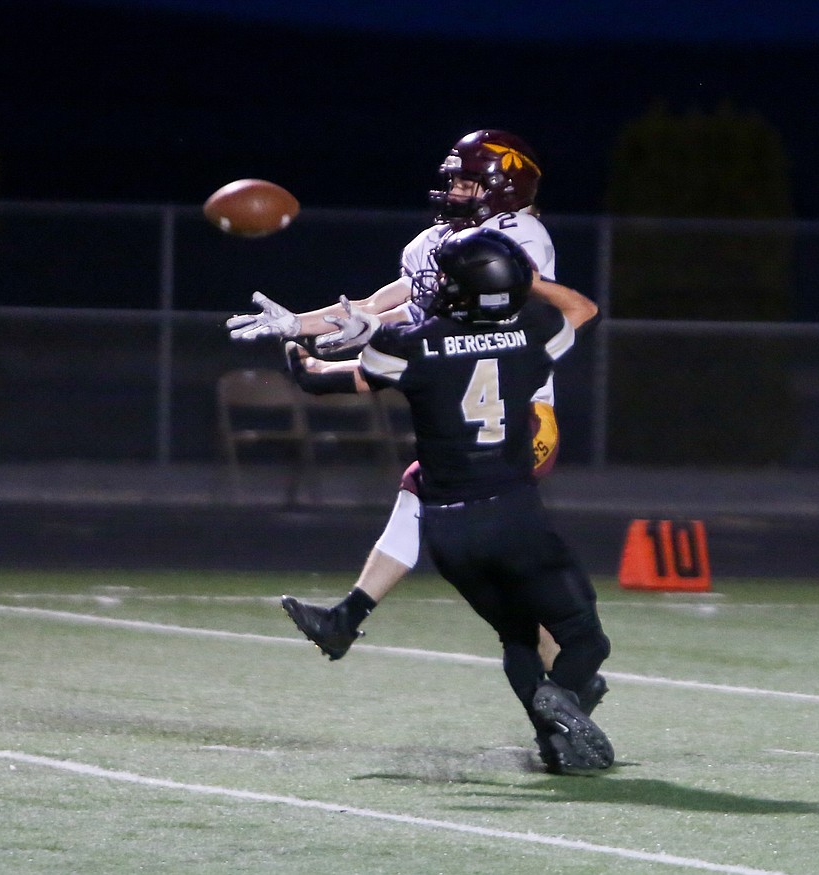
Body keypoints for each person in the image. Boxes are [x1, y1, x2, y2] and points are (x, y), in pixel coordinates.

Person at [225, 129, 578, 674]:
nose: (453, 191)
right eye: (453, 180)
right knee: (490, 561)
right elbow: (379, 307)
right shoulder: (438, 243)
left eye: (467, 182)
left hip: (519, 417)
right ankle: (570, 679)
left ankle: (352, 616)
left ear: (501, 187)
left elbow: (462, 325)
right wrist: (298, 324)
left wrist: (362, 339)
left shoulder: (518, 236)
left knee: (473, 542)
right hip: (469, 413)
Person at [280, 227, 613, 775]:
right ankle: (563, 702)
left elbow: (335, 381)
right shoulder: (534, 330)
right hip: (513, 513)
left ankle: (557, 745)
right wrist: (528, 281)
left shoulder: (410, 344)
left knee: (518, 636)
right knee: (585, 641)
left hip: (448, 527)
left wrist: (303, 356)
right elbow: (580, 308)